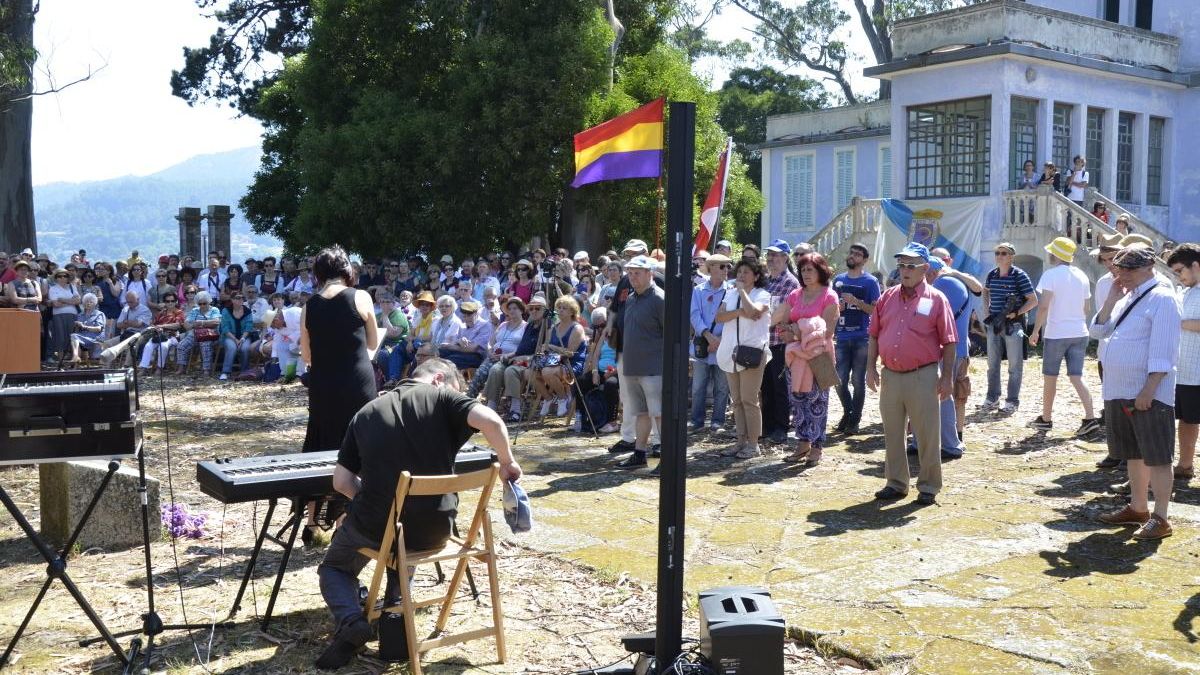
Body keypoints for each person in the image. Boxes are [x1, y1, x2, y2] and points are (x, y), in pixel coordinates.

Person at [314, 357, 522, 670]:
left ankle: (351, 620)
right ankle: (396, 611)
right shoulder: (443, 396)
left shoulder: (366, 412)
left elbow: (341, 482)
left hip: (377, 525)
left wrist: (370, 501)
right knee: (406, 538)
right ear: (440, 378)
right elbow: (492, 422)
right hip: (435, 528)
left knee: (334, 567)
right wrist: (507, 463)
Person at [1091, 245, 1181, 540]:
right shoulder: (1125, 296)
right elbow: (1098, 331)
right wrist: (1110, 300)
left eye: (1129, 268)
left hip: (1147, 392)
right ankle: (1138, 507)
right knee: (1133, 452)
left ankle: (1162, 517)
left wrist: (1150, 388)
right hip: (1120, 388)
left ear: (1148, 268)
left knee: (1157, 455)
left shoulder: (1162, 298)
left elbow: (1164, 349)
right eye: (1120, 268)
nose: (1122, 273)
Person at [300, 245, 380, 544]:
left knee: (320, 444)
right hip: (357, 383)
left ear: (318, 274)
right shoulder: (360, 297)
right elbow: (372, 342)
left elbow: (306, 353)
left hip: (322, 385)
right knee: (358, 446)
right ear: (347, 271)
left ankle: (312, 520)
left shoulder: (310, 305)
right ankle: (347, 519)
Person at [867, 243, 957, 506]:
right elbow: (873, 334)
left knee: (927, 433)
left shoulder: (937, 299)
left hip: (923, 374)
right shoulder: (887, 297)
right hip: (891, 375)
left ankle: (929, 486)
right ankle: (896, 483)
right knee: (892, 432)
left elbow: (950, 341)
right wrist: (870, 367)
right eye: (902, 265)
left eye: (911, 266)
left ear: (925, 269)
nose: (904, 271)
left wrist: (947, 377)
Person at [1027, 237, 1099, 435]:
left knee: (1050, 377)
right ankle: (1090, 417)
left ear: (1055, 254)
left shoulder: (1051, 275)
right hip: (1079, 332)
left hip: (1057, 333)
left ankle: (1046, 418)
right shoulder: (1081, 275)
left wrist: (1035, 331)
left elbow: (1043, 306)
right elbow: (1087, 308)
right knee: (1077, 376)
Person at [774, 252, 839, 466]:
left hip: (820, 357)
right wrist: (799, 331)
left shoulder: (829, 296)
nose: (806, 273)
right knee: (798, 401)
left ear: (821, 270)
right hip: (796, 357)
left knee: (818, 402)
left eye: (810, 269)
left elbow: (827, 331)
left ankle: (817, 446)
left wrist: (798, 330)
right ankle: (802, 444)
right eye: (802, 270)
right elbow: (782, 325)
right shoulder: (794, 295)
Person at [715, 258, 773, 459]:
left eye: (746, 272)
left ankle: (753, 444)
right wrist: (739, 311)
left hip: (752, 352)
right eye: (739, 272)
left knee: (749, 400)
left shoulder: (763, 295)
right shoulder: (729, 293)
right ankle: (740, 440)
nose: (741, 275)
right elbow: (719, 317)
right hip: (730, 352)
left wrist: (741, 294)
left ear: (756, 276)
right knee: (737, 401)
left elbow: (754, 313)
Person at [614, 255, 665, 471]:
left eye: (637, 273)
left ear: (649, 274)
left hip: (653, 368)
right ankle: (639, 453)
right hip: (633, 366)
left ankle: (666, 457)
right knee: (641, 413)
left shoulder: (660, 299)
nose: (632, 277)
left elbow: (670, 333)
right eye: (630, 273)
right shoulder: (631, 298)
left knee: (659, 413)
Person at [981, 242, 1037, 414]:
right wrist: (986, 312)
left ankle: (1012, 401)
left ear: (1011, 256)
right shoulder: (992, 274)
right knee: (992, 364)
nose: (999, 256)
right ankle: (992, 398)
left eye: (1004, 253)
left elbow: (1033, 300)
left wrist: (1016, 313)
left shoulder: (1019, 275)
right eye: (997, 252)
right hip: (994, 324)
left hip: (1013, 325)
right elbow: (985, 291)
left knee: (1014, 366)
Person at [831, 243, 880, 436]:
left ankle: (854, 420)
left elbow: (876, 311)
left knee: (858, 381)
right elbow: (830, 308)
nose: (853, 256)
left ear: (864, 260)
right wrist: (838, 309)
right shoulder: (838, 280)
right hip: (841, 337)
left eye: (858, 254)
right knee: (839, 380)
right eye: (851, 253)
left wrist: (857, 303)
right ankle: (848, 412)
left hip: (862, 337)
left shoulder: (870, 282)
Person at [1167, 243, 1200, 484]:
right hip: (1185, 371)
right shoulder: (1185, 291)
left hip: (1197, 371)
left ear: (1195, 265)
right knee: (1186, 420)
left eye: (1180, 270)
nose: (1178, 276)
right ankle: (1185, 464)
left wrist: (1177, 322)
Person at [762, 240, 801, 444]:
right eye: (769, 255)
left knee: (780, 386)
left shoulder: (790, 282)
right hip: (764, 341)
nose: (771, 259)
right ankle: (767, 426)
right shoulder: (767, 281)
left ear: (786, 258)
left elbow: (783, 312)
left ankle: (781, 427)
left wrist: (761, 322)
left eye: (776, 255)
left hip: (780, 342)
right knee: (765, 386)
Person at [689, 253, 732, 433]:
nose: (726, 270)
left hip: (723, 344)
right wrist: (708, 336)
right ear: (711, 267)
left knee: (722, 387)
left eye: (728, 267)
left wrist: (721, 340)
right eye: (722, 266)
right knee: (698, 386)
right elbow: (694, 314)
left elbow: (733, 318)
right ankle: (697, 421)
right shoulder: (698, 290)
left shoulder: (731, 291)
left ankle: (718, 421)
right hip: (703, 344)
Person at [533, 295, 587, 418]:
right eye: (559, 308)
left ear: (572, 311)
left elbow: (570, 353)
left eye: (565, 308)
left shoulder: (577, 328)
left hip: (571, 364)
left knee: (547, 372)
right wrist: (544, 349)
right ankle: (548, 398)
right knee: (529, 372)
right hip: (552, 362)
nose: (561, 310)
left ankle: (563, 399)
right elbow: (546, 346)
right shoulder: (554, 328)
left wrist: (552, 347)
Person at [576, 307, 620, 433]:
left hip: (617, 371)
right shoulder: (603, 336)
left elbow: (626, 359)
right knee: (581, 382)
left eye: (603, 325)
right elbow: (595, 356)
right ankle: (581, 416)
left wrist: (613, 372)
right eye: (596, 327)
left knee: (610, 384)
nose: (600, 329)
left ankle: (612, 421)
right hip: (601, 371)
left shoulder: (621, 335)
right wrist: (595, 372)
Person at [174, 290, 220, 374]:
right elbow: (186, 325)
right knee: (181, 345)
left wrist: (200, 323)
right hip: (195, 334)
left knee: (205, 344)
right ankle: (181, 368)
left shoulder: (214, 310)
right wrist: (201, 324)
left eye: (204, 303)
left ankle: (206, 369)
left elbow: (215, 322)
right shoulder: (195, 310)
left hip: (209, 335)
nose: (202, 306)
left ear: (209, 302)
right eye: (200, 304)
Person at [138, 292, 185, 373]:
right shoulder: (161, 313)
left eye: (172, 301)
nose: (170, 303)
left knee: (163, 346)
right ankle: (143, 368)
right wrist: (156, 328)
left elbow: (177, 325)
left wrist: (162, 326)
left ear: (176, 301)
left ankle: (159, 368)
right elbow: (153, 324)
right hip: (158, 335)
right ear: (164, 302)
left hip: (172, 336)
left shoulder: (179, 312)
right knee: (148, 346)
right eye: (167, 301)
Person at [440, 300, 492, 371]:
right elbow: (450, 343)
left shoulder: (485, 325)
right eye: (465, 316)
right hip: (460, 353)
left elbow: (472, 349)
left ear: (476, 313)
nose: (467, 319)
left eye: (469, 315)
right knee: (439, 351)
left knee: (449, 360)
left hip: (476, 356)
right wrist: (458, 341)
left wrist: (451, 346)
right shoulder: (463, 326)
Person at [218, 292, 255, 380]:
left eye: (242, 298)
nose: (240, 300)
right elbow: (225, 328)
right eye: (237, 298)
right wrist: (235, 339)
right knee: (232, 347)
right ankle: (225, 372)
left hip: (244, 336)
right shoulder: (226, 310)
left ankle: (244, 371)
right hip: (229, 336)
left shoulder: (247, 311)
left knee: (245, 348)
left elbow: (249, 327)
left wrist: (242, 338)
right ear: (232, 300)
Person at [47, 269, 81, 361]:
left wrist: (62, 299)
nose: (62, 278)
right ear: (56, 278)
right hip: (58, 316)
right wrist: (71, 302)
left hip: (73, 315)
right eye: (59, 276)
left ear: (68, 277)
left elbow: (78, 301)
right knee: (60, 337)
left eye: (65, 276)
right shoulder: (53, 288)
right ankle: (60, 360)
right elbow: (56, 304)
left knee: (73, 337)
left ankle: (73, 360)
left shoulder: (72, 287)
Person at [69, 293, 107, 363]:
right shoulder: (80, 315)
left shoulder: (99, 314)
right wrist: (77, 324)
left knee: (74, 337)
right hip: (83, 338)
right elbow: (78, 330)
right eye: (86, 302)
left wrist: (85, 327)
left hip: (95, 338)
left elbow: (99, 329)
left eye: (91, 302)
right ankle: (76, 356)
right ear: (83, 303)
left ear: (95, 304)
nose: (88, 303)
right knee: (74, 336)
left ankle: (75, 357)